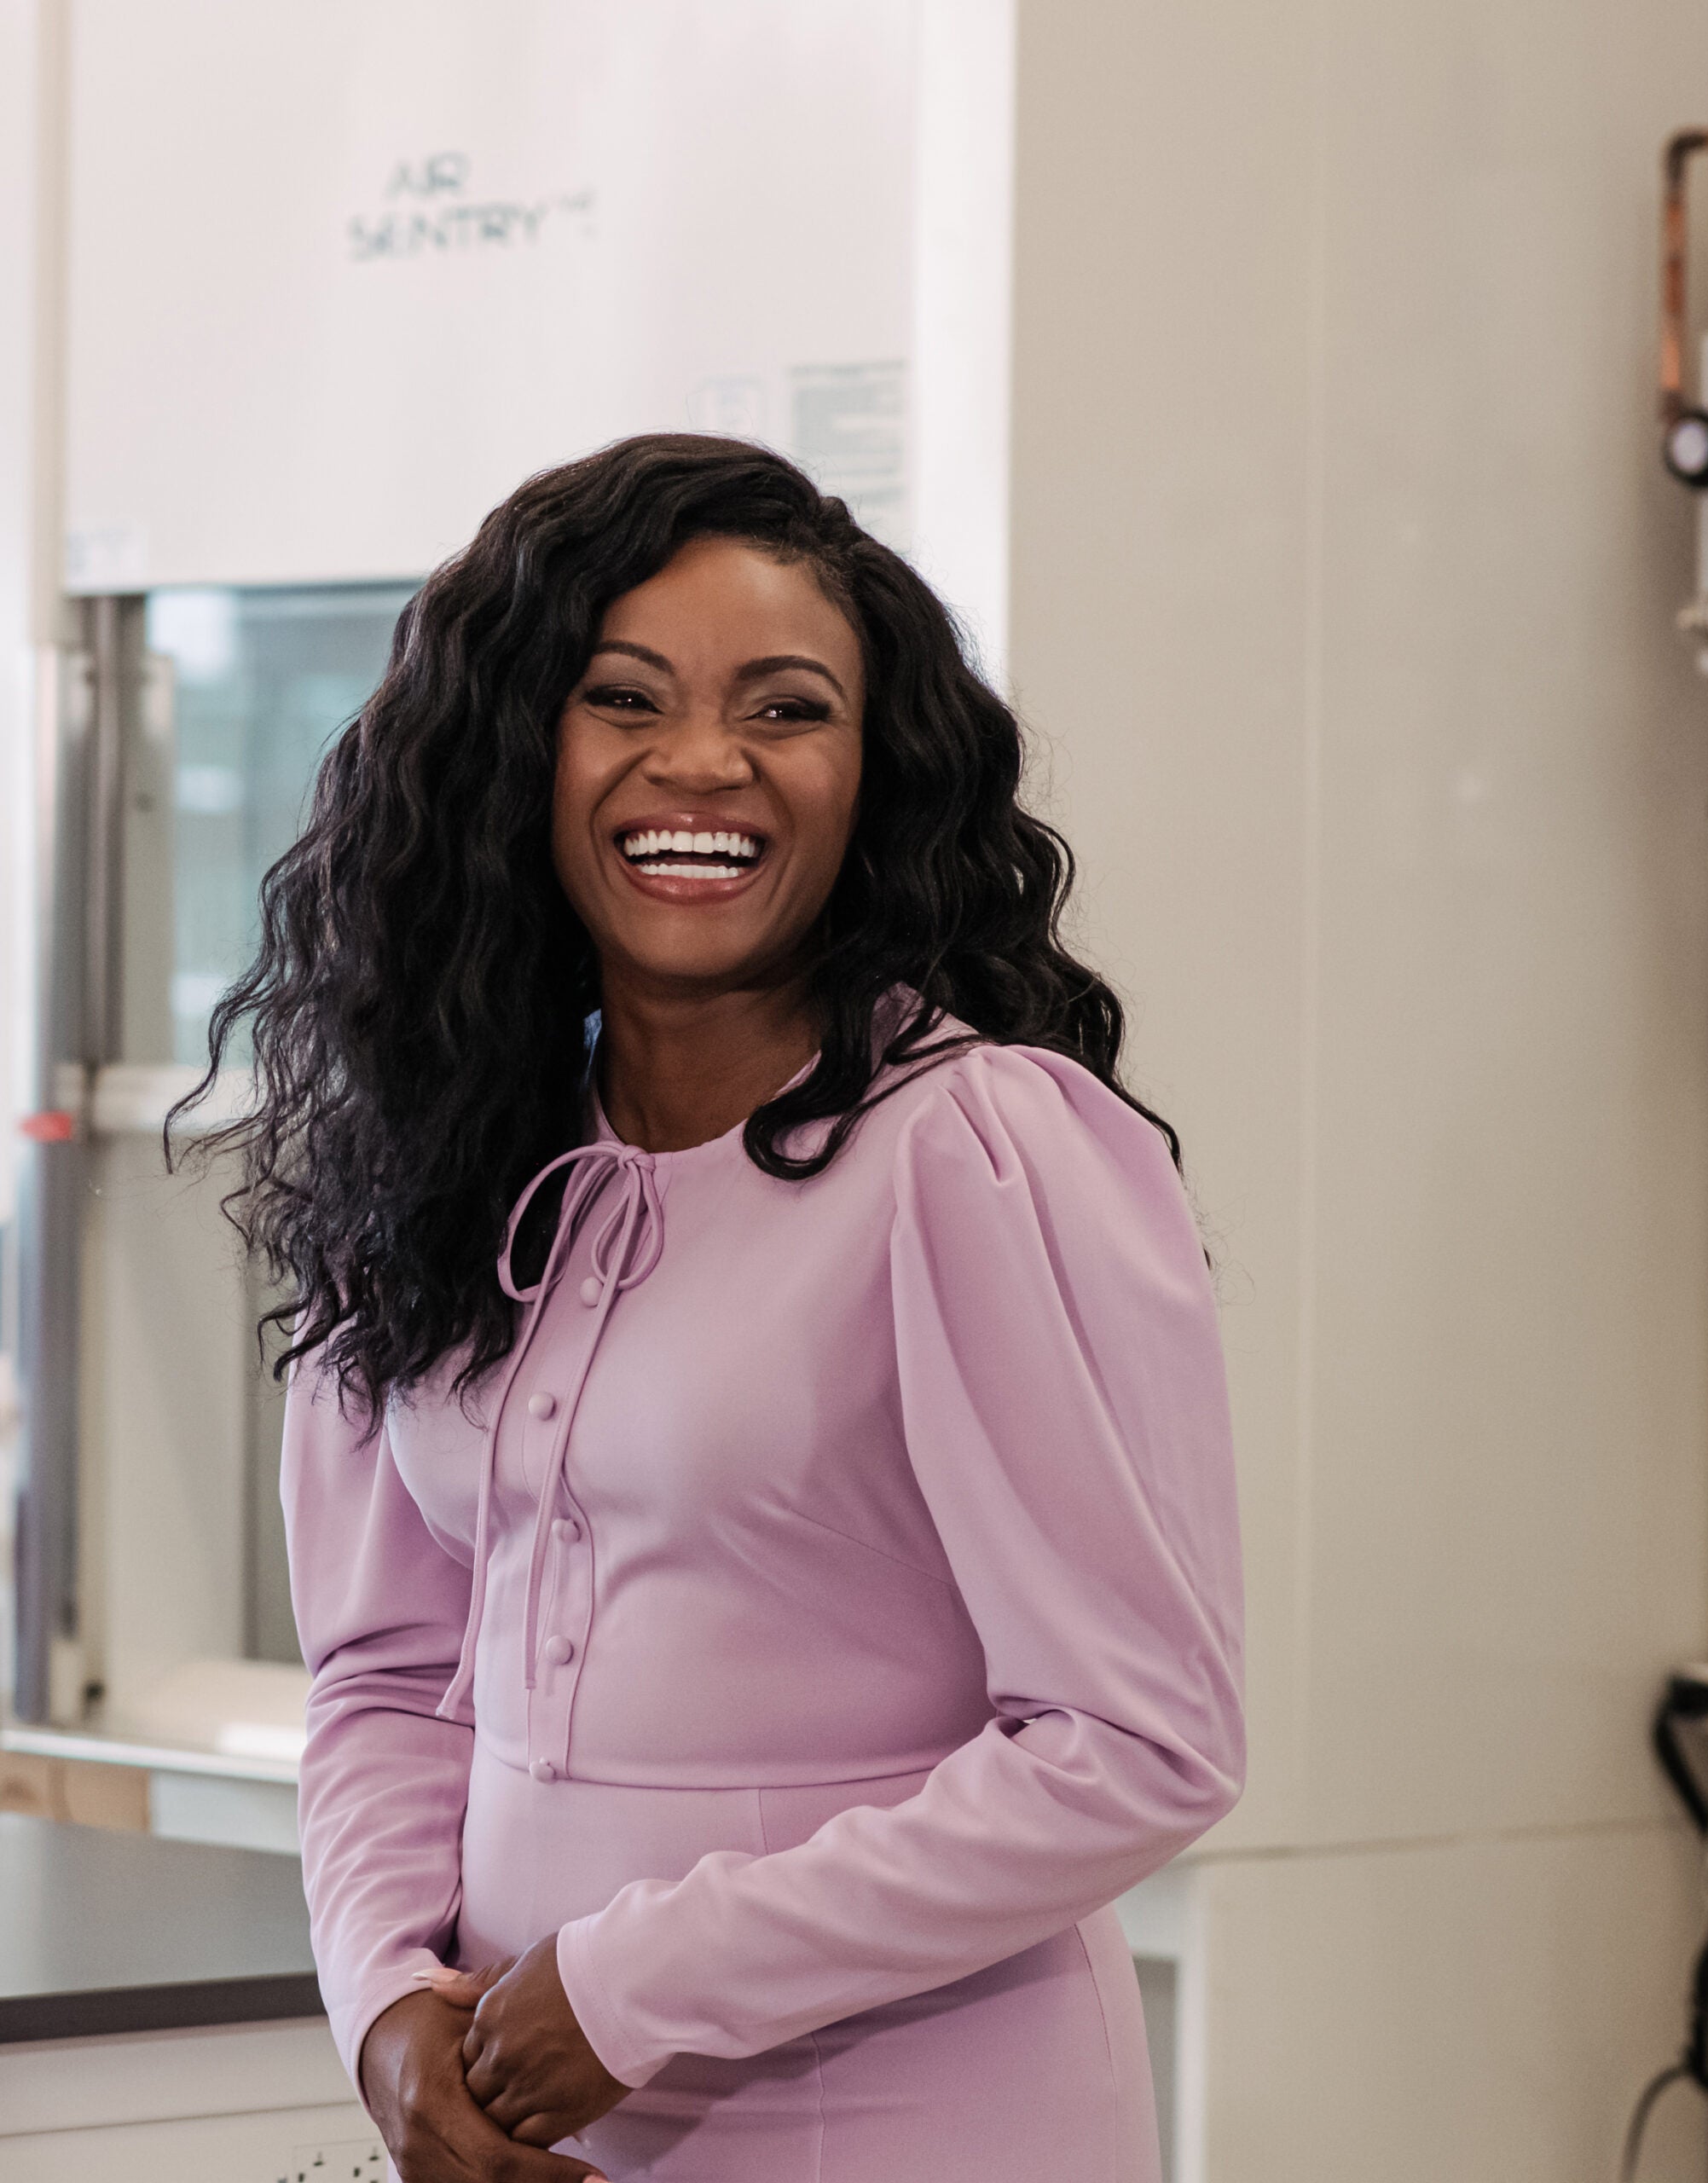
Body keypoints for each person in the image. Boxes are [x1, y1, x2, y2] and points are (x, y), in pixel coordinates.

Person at [179, 435, 1244, 2182]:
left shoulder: (973, 1147)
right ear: (519, 751)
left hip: (911, 2118)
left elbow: (1137, 1739)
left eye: (785, 707)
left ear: (874, 771)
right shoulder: (446, 1161)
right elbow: (387, 1673)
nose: (701, 763)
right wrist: (386, 1999)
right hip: (525, 2122)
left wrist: (628, 1983)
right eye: (623, 696)